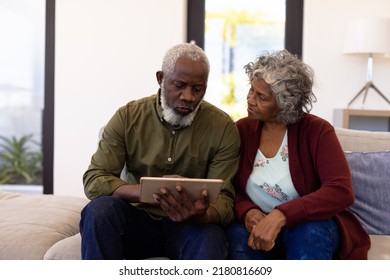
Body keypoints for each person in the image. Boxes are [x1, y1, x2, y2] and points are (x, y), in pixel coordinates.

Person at [79, 43, 240, 260]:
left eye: (198, 89)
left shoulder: (222, 127)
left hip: (189, 227)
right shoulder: (128, 117)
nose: (188, 97)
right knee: (99, 211)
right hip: (137, 220)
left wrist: (202, 215)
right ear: (161, 78)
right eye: (179, 85)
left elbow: (226, 201)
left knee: (211, 236)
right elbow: (94, 179)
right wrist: (150, 192)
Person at [227, 50, 370, 260]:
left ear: (285, 103)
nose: (250, 99)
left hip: (309, 224)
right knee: (238, 238)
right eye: (251, 90)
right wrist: (247, 211)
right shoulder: (242, 130)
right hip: (258, 223)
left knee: (307, 233)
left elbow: (340, 190)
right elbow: (230, 187)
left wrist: (282, 214)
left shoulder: (318, 131)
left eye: (261, 97)